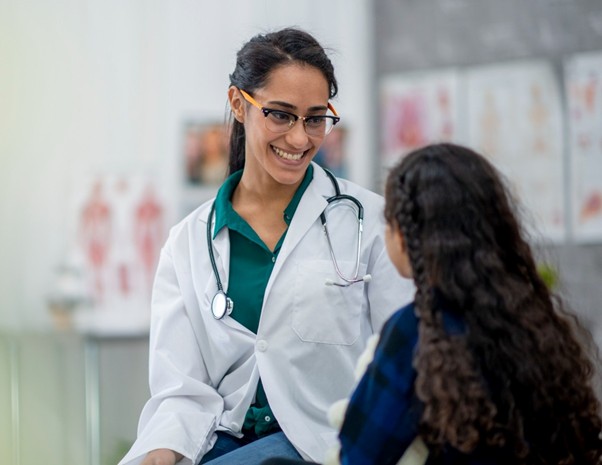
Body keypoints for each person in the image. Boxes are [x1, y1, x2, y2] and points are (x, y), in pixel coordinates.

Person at [118, 27, 413, 465]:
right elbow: (180, 393)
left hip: (325, 443)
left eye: (315, 118)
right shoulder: (188, 243)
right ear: (239, 104)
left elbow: (403, 356)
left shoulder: (371, 223)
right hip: (219, 441)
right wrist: (156, 456)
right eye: (280, 114)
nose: (299, 139)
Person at [262, 142, 602, 465]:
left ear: (406, 235)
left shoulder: (415, 332)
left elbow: (359, 456)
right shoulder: (533, 322)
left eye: (390, 221)